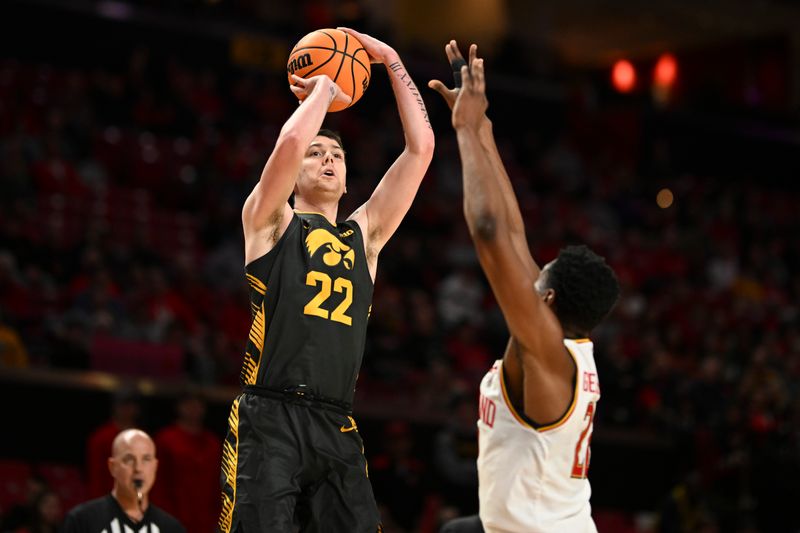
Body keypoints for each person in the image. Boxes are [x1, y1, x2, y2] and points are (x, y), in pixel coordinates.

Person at [218, 26, 434, 533]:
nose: (328, 158)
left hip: (336, 420)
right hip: (268, 416)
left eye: (336, 154)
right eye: (317, 154)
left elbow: (420, 149)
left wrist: (392, 60)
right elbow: (292, 139)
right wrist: (324, 88)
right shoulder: (268, 221)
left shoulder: (367, 237)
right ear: (294, 173)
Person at [429, 42, 620, 533]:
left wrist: (466, 134)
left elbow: (491, 236)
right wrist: (483, 126)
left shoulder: (545, 351)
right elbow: (513, 233)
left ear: (549, 297)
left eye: (542, 272)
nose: (532, 268)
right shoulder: (562, 341)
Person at [61, 429, 184, 533]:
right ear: (112, 467)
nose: (138, 469)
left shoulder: (171, 528)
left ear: (155, 466)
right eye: (129, 459)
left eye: (146, 459)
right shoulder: (82, 521)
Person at [152, 391, 221, 533]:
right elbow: (158, 484)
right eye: (189, 404)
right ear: (179, 407)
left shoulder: (213, 443)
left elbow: (218, 483)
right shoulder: (165, 440)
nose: (194, 408)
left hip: (205, 521)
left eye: (198, 404)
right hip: (174, 518)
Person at [85, 386, 142, 499]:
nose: (128, 410)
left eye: (132, 405)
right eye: (124, 405)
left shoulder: (142, 438)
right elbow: (96, 477)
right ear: (115, 407)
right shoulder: (102, 438)